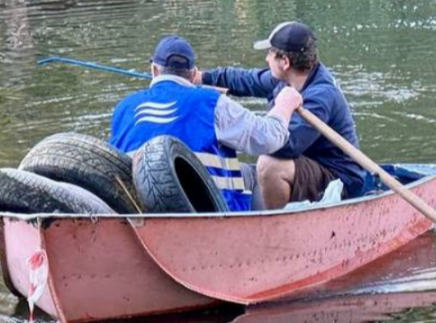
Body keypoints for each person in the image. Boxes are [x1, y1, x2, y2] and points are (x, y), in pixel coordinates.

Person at [110, 35, 302, 211]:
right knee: (254, 173)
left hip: (142, 217)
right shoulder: (211, 102)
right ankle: (267, 235)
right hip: (211, 217)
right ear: (194, 74)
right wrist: (285, 105)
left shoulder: (123, 108)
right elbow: (268, 138)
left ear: (153, 70)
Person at [198, 21, 364, 208]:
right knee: (236, 171)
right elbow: (246, 80)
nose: (267, 59)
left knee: (269, 166)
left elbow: (285, 145)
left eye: (270, 53)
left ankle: (277, 227)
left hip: (339, 180)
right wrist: (201, 78)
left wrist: (239, 135)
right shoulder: (289, 77)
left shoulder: (321, 96)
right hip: (307, 165)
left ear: (285, 62)